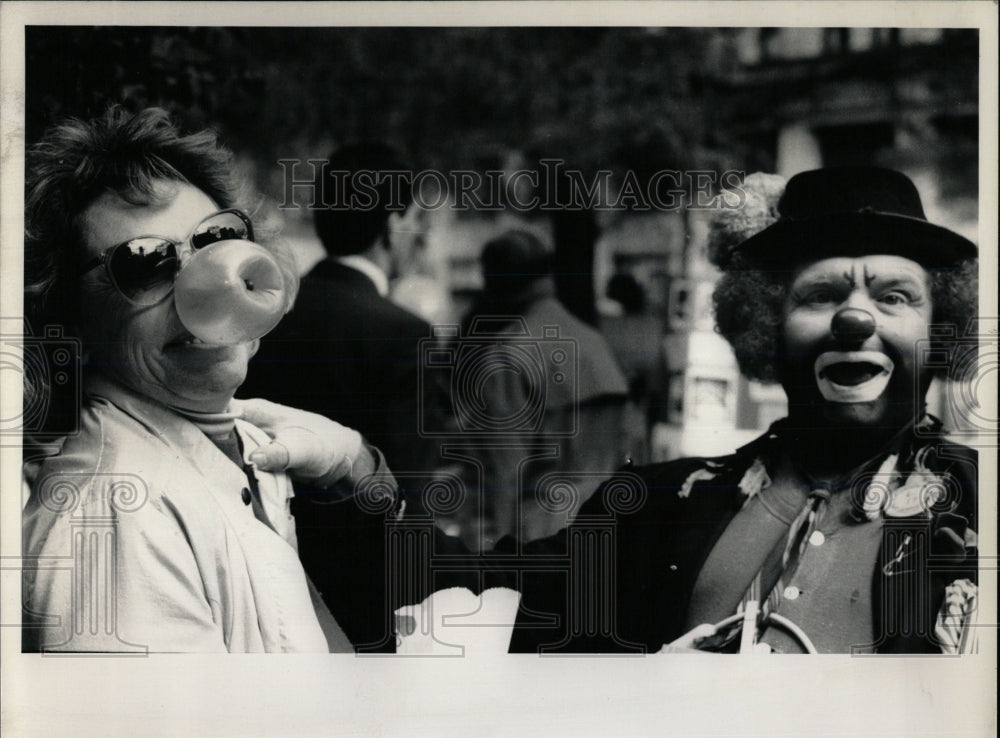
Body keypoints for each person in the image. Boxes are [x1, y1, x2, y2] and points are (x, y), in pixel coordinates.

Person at [501, 167, 980, 654]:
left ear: (939, 329)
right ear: (766, 324)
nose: (853, 320)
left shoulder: (984, 506)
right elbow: (496, 597)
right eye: (821, 295)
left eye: (894, 297)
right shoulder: (650, 506)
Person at [20, 107, 404, 653]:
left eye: (216, 240)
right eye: (146, 262)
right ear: (70, 320)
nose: (206, 285)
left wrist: (358, 464)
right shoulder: (114, 523)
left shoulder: (248, 444)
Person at [241, 141, 448, 481]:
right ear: (392, 224)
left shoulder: (269, 308)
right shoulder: (405, 335)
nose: (421, 235)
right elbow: (407, 491)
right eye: (416, 217)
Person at [459, 229, 630, 543]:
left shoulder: (508, 354)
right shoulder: (594, 343)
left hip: (539, 536)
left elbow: (505, 473)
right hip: (608, 525)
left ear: (493, 284)